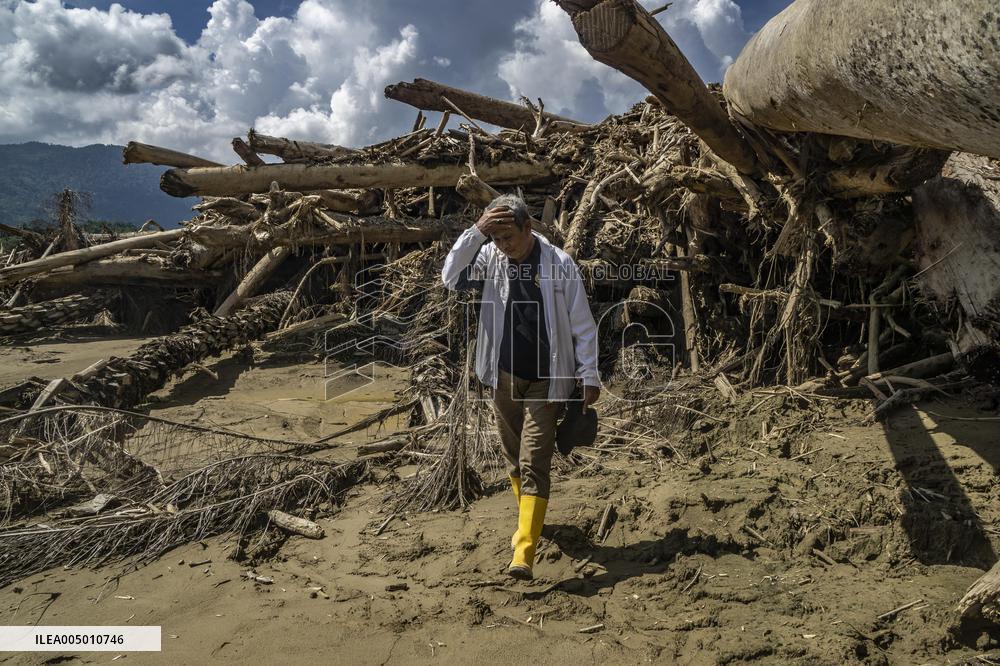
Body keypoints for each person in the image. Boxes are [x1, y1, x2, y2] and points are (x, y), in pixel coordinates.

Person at [441, 194, 600, 580]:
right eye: (496, 238)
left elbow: (582, 324)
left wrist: (590, 374)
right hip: (503, 377)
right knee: (513, 457)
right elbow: (449, 276)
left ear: (529, 228)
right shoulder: (490, 259)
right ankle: (531, 521)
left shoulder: (559, 265)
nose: (503, 246)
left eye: (508, 237)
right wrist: (477, 232)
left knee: (534, 459)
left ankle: (524, 548)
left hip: (548, 380)